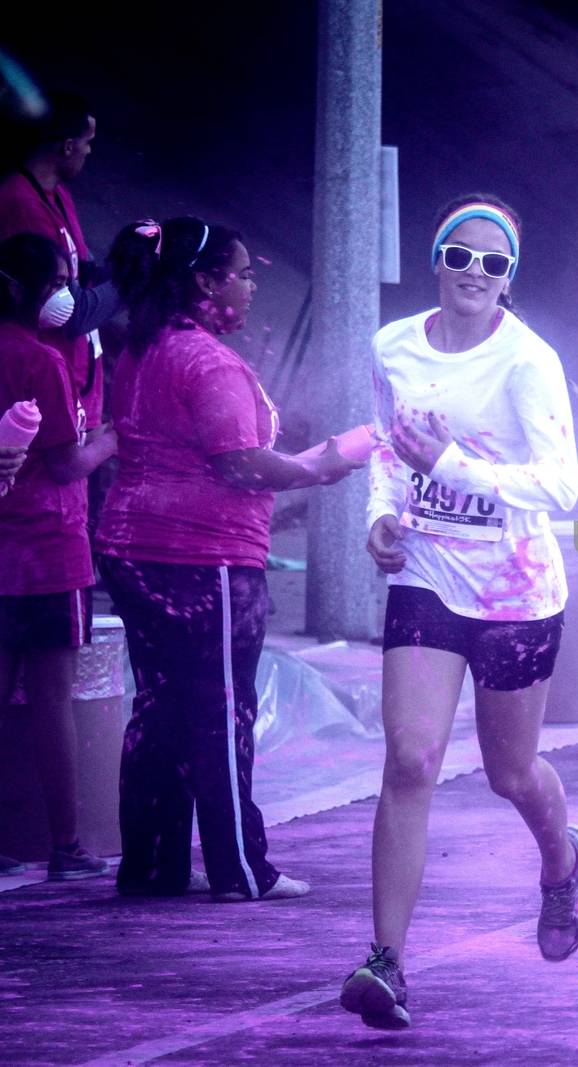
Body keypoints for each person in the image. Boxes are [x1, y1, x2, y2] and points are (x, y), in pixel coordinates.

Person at [340, 194, 578, 1030]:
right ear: (437, 258)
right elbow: (386, 444)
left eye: (494, 263)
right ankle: (387, 961)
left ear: (509, 278)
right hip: (429, 573)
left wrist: (449, 463)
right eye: (461, 255)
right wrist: (381, 512)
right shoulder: (394, 346)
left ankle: (561, 855)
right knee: (410, 758)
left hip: (517, 588)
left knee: (509, 773)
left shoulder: (529, 362)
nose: (475, 273)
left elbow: (560, 486)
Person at [97, 217, 361, 902]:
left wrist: (315, 462)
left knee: (161, 706)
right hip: (199, 557)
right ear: (206, 282)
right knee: (219, 708)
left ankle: (152, 866)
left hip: (136, 546)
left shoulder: (143, 348)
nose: (249, 287)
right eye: (244, 274)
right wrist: (321, 465)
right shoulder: (205, 360)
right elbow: (241, 466)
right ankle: (240, 867)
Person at [0, 232, 116, 880]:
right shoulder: (41, 361)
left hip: (4, 549)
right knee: (52, 699)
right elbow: (69, 460)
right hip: (48, 545)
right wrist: (114, 437)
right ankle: (66, 845)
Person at [0, 92, 115, 427]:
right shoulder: (20, 204)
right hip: (36, 391)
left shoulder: (58, 194)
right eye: (88, 142)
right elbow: (74, 313)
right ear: (67, 146)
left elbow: (83, 273)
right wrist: (132, 278)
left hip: (73, 382)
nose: (90, 151)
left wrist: (126, 257)